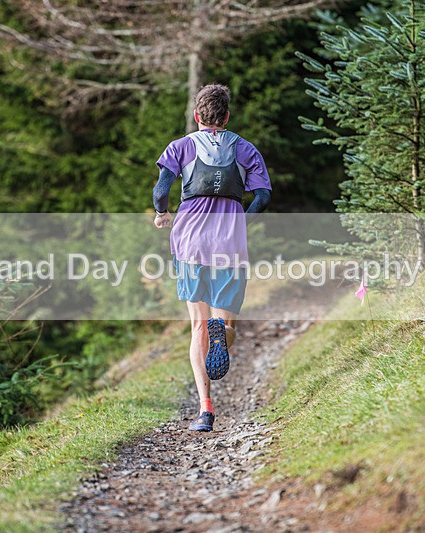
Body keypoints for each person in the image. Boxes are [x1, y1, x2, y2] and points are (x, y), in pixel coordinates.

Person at [152, 83, 272, 432]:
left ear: (196, 116)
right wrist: (239, 222)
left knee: (197, 326)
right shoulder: (245, 148)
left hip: (190, 241)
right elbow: (262, 196)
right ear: (228, 116)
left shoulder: (181, 146)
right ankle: (225, 331)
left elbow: (161, 191)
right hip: (228, 243)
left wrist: (162, 213)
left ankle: (205, 410)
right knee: (226, 323)